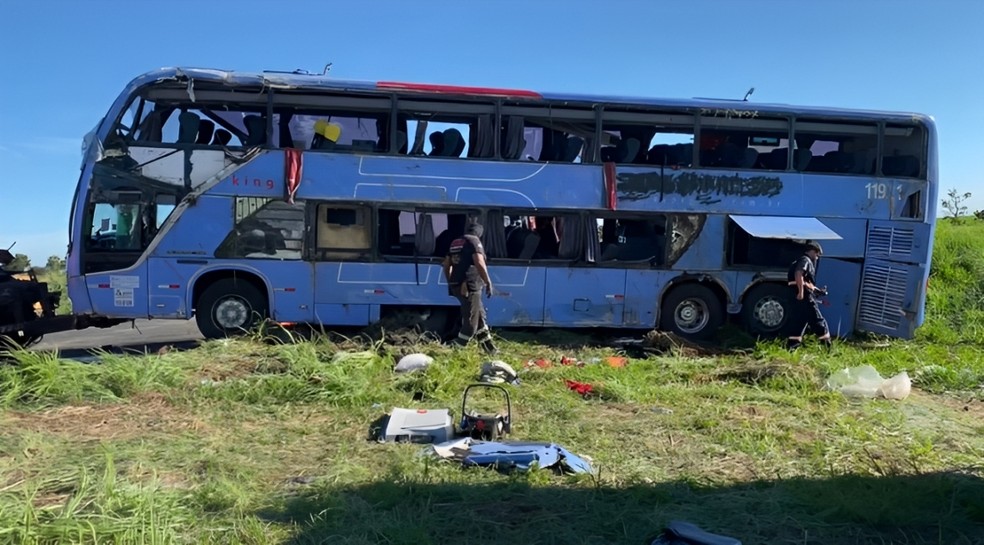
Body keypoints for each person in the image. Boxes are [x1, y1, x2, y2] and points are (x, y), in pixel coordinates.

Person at [442, 221, 497, 354]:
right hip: (469, 285)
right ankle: (455, 351)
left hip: (457, 285)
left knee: (479, 317)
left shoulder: (456, 242)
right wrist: (488, 281)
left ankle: (489, 349)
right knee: (471, 323)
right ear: (479, 233)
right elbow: (479, 262)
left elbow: (446, 265)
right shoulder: (474, 241)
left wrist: (451, 281)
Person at [787, 240, 832, 350]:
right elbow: (799, 274)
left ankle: (792, 347)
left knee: (799, 321)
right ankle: (828, 348)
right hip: (804, 296)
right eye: (817, 254)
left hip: (796, 295)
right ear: (812, 251)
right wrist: (801, 292)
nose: (817, 258)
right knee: (818, 320)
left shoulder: (798, 260)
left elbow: (806, 282)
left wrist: (817, 291)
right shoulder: (805, 260)